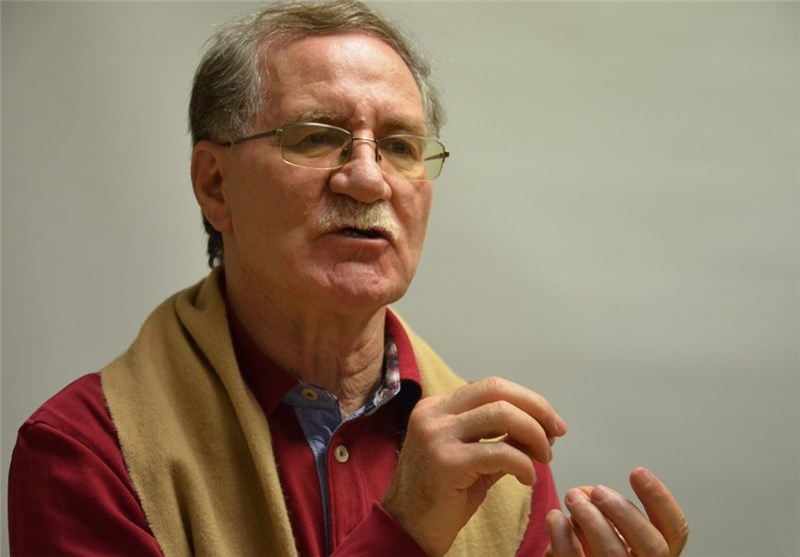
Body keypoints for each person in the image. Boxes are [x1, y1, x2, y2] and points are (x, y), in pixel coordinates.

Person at [8, 1, 689, 555]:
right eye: (316, 136)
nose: (367, 178)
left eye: (399, 146)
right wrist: (403, 533)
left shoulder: (495, 458)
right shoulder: (87, 453)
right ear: (215, 185)